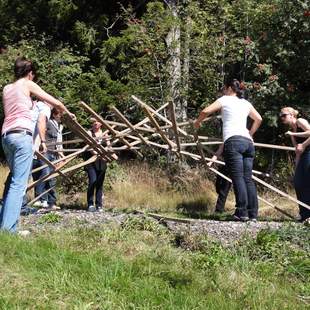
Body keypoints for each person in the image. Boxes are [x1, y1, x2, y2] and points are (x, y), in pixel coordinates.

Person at [0, 57, 73, 233]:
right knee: (19, 184)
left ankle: (8, 225)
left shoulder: (7, 88)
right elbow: (55, 102)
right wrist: (69, 113)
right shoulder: (27, 84)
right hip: (21, 136)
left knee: (15, 182)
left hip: (6, 137)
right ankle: (8, 230)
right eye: (33, 74)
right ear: (29, 73)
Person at [194, 78, 262, 221]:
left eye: (224, 88)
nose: (223, 91)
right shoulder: (245, 103)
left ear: (229, 88)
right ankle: (253, 214)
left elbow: (205, 110)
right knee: (247, 179)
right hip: (248, 143)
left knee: (238, 178)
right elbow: (259, 119)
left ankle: (241, 213)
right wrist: (250, 134)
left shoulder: (225, 99)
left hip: (233, 141)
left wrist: (198, 122)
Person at [280, 107, 310, 222]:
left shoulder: (299, 122)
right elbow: (297, 151)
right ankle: (303, 214)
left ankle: (308, 215)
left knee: (307, 183)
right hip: (302, 156)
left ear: (292, 115)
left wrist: (303, 145)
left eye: (284, 115)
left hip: (309, 153)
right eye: (281, 116)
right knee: (298, 183)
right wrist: (296, 167)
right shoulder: (291, 130)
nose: (282, 118)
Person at [84, 118, 116, 212]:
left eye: (97, 122)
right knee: (92, 181)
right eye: (93, 123)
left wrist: (110, 154)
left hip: (102, 161)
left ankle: (99, 205)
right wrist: (96, 154)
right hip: (91, 161)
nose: (95, 124)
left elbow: (108, 146)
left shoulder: (104, 133)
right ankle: (90, 204)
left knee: (99, 183)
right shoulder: (89, 133)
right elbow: (89, 147)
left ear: (100, 124)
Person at [42, 108, 64, 210]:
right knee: (45, 175)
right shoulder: (48, 123)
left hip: (54, 154)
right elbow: (40, 132)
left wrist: (61, 156)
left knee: (52, 178)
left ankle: (52, 202)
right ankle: (43, 200)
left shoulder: (58, 126)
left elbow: (58, 143)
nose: (61, 116)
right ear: (54, 115)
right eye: (59, 114)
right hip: (46, 153)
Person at [208, 144, 232, 214]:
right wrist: (210, 162)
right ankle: (219, 207)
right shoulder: (226, 141)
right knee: (218, 187)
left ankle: (218, 210)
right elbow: (218, 153)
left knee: (224, 190)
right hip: (222, 167)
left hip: (231, 167)